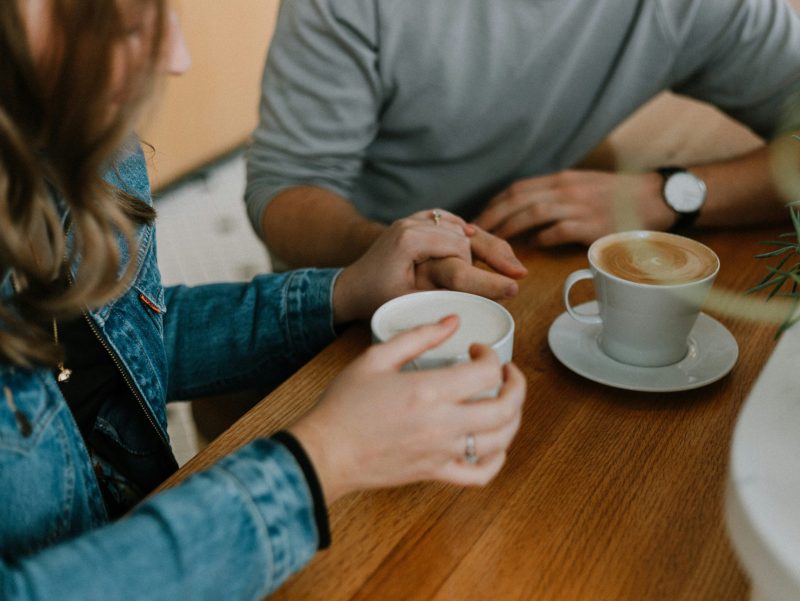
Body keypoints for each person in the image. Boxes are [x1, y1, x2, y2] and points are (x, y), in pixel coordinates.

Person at [0, 2, 526, 599]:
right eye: (125, 20)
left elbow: (122, 343)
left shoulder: (71, 142)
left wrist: (343, 290)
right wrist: (320, 461)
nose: (177, 58)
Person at [246, 0, 800, 271]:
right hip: (351, 276)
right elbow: (287, 190)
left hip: (532, 255)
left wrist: (666, 194)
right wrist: (398, 250)